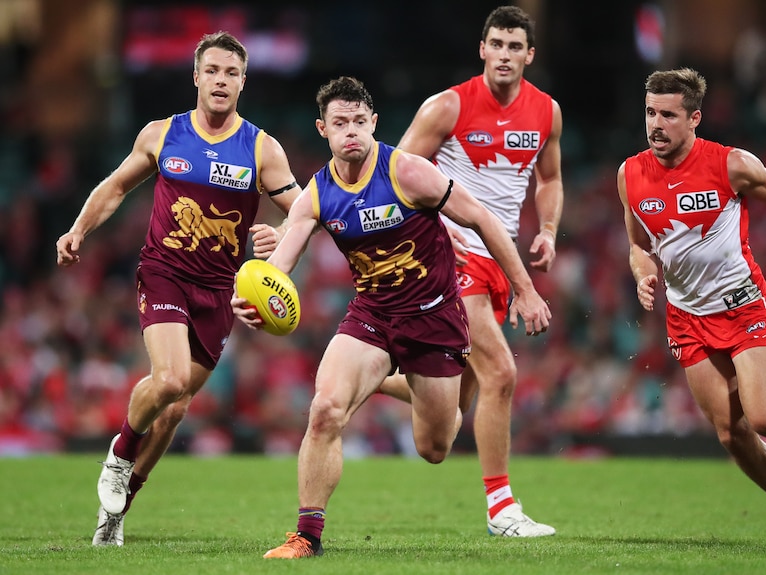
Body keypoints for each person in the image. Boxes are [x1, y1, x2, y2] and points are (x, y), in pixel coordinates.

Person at [231, 76, 551, 559]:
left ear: (374, 123)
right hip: (373, 316)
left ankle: (386, 381)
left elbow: (483, 219)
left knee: (435, 446)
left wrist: (525, 290)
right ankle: (306, 536)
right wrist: (256, 296)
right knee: (324, 410)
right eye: (340, 123)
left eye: (360, 121)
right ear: (323, 129)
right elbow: (283, 261)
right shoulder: (317, 194)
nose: (351, 131)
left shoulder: (409, 172)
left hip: (435, 319)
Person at [55, 31, 301, 547]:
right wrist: (79, 229)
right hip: (164, 272)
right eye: (212, 70)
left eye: (231, 73)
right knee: (166, 381)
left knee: (176, 409)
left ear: (243, 82)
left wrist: (279, 232)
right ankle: (120, 456)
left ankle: (116, 515)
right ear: (196, 76)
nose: (221, 80)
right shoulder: (162, 134)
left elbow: (305, 210)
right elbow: (116, 186)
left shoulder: (261, 148)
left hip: (220, 291)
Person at [617, 67, 766, 550]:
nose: (656, 124)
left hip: (741, 306)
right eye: (650, 112)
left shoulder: (730, 164)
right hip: (685, 318)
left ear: (694, 118)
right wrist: (640, 273)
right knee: (730, 434)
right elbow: (637, 244)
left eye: (669, 115)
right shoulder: (630, 173)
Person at [376, 5, 563, 537]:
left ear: (530, 54)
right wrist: (437, 227)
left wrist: (548, 229)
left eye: (514, 47)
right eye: (496, 44)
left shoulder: (547, 112)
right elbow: (394, 172)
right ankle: (502, 510)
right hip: (450, 257)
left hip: (500, 258)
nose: (504, 55)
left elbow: (550, 179)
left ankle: (369, 377)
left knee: (448, 422)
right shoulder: (448, 107)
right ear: (482, 49)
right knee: (500, 372)